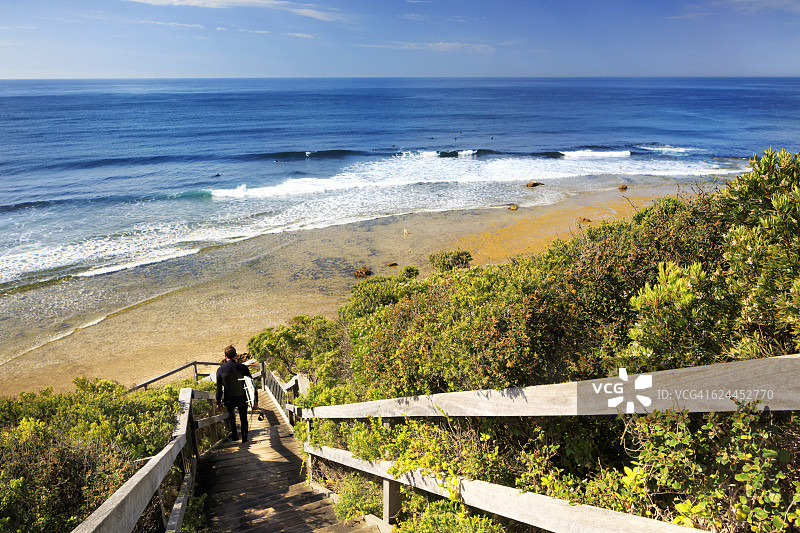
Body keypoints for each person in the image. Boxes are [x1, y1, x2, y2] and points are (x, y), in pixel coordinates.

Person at [215, 345, 258, 442]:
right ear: (236, 355)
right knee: (243, 417)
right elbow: (252, 384)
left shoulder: (220, 370)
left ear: (225, 356)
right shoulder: (243, 367)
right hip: (242, 396)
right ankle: (244, 437)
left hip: (229, 398)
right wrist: (255, 400)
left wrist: (218, 402)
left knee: (231, 416)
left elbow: (219, 388)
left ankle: (234, 436)